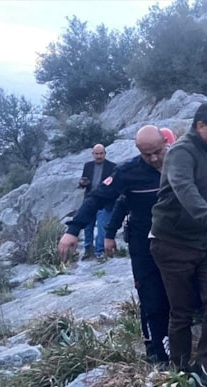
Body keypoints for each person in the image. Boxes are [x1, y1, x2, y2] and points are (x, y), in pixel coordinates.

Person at [59, 126, 170, 363]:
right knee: (150, 296)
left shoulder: (181, 163)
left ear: (165, 142)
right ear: (138, 150)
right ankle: (156, 351)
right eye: (147, 154)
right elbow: (97, 198)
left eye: (157, 152)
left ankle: (180, 344)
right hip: (143, 244)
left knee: (178, 293)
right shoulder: (127, 172)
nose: (153, 159)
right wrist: (73, 229)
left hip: (177, 241)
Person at [149, 102, 207, 387]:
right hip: (173, 244)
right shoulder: (181, 152)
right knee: (182, 311)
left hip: (206, 243)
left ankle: (206, 365)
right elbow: (184, 188)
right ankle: (181, 371)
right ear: (201, 126)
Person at [78, 144, 116, 260]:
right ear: (93, 154)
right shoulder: (88, 166)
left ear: (105, 153)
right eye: (96, 154)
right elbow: (83, 183)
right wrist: (82, 183)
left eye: (101, 153)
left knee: (102, 226)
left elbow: (114, 185)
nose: (99, 156)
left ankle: (100, 251)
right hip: (90, 201)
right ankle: (88, 250)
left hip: (104, 202)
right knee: (88, 226)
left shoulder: (112, 167)